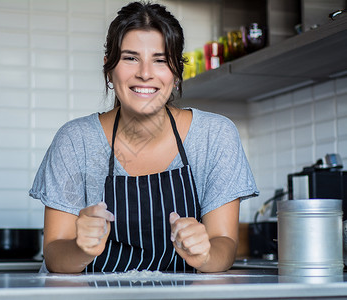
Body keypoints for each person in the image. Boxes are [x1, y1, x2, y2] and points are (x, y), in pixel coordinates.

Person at [29, 1, 258, 274]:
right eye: (130, 58)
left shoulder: (214, 136)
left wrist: (206, 255)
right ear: (109, 68)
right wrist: (81, 249)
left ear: (176, 73)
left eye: (160, 60)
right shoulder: (75, 140)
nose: (145, 73)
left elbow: (225, 243)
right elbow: (55, 252)